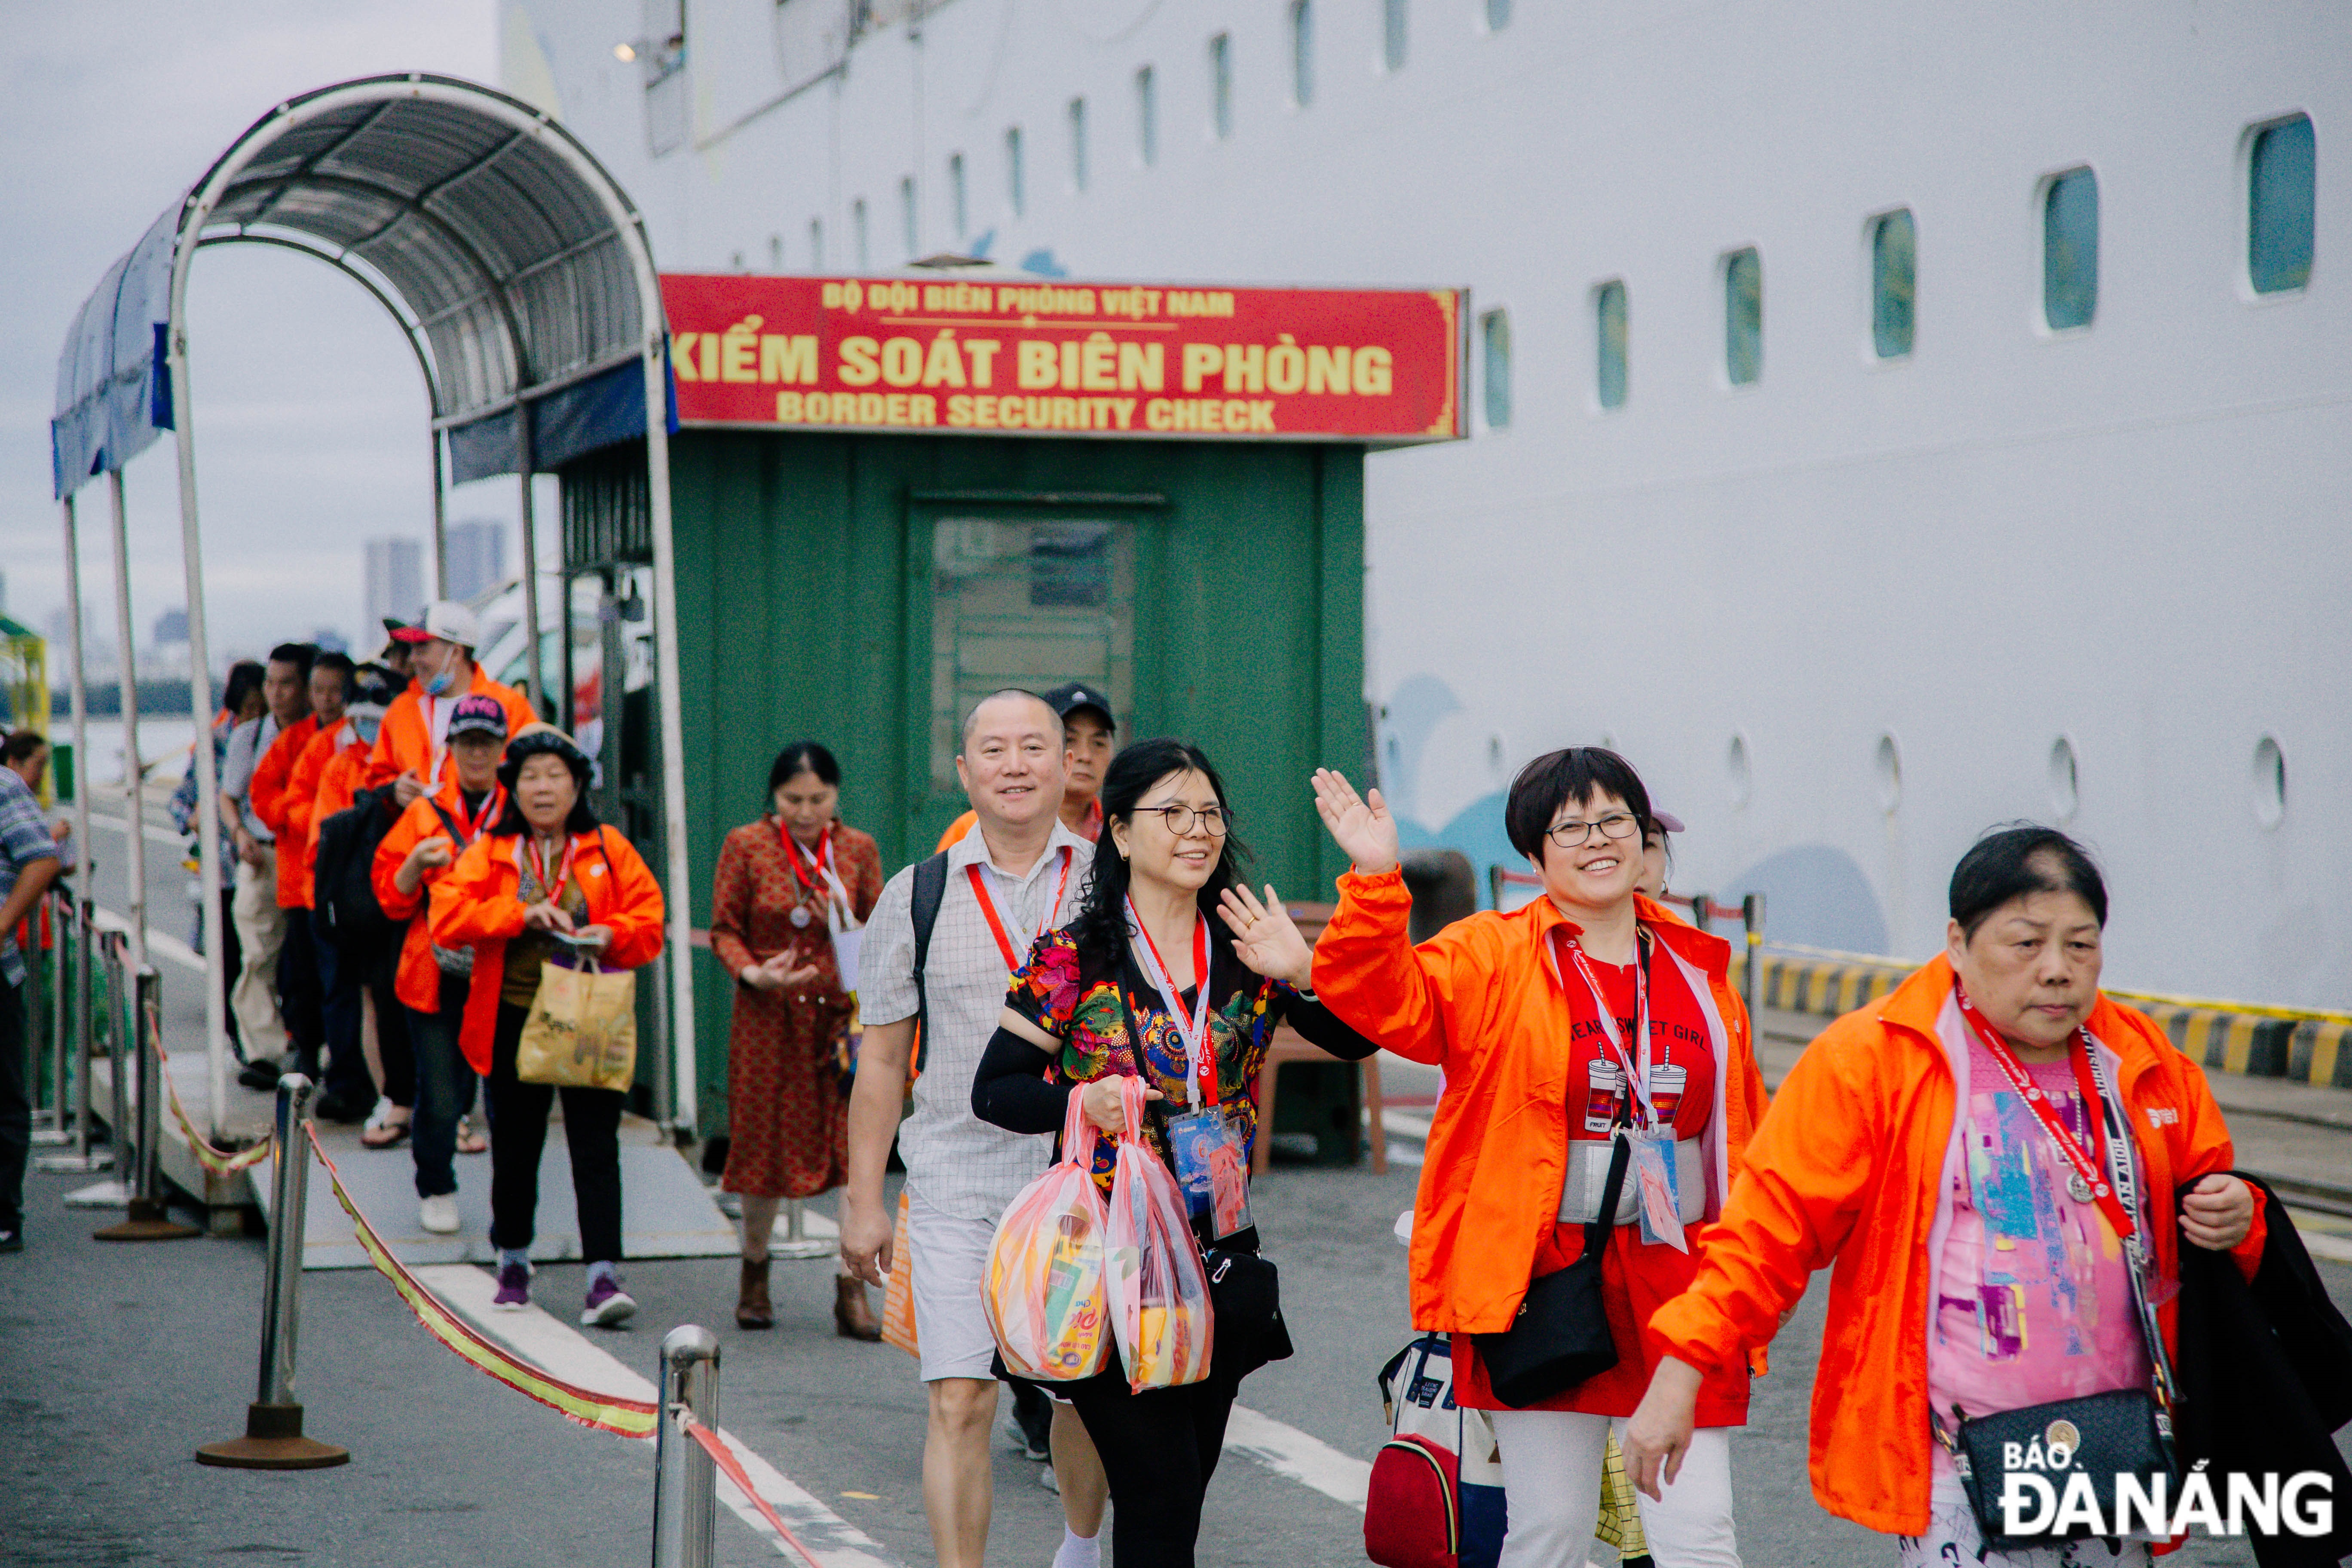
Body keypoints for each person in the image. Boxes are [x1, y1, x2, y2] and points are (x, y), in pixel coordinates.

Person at [1626, 826, 2263, 1568]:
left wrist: (2238, 1215)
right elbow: (1768, 1231)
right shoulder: (1872, 1059)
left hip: (2111, 1442)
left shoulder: (2144, 1059)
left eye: (2080, 946)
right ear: (1957, 942)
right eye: (2026, 944)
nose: (2057, 971)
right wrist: (1679, 1373)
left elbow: (2216, 1209)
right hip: (1952, 1453)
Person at [1308, 751, 1766, 1568]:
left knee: (1699, 1533)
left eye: (1615, 820)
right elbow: (1385, 1001)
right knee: (1549, 1530)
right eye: (1571, 827)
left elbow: (1743, 1131)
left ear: (1642, 833)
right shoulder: (1491, 954)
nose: (1597, 840)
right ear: (1534, 854)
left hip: (1678, 1280)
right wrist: (1377, 880)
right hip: (1545, 1278)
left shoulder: (1699, 971)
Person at [972, 738, 1382, 1568]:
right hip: (1104, 1258)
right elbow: (995, 1088)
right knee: (1158, 1495)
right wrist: (1078, 1099)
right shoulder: (1074, 954)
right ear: (1120, 832)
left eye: (1208, 813)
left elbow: (1358, 1038)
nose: (1197, 831)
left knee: (1179, 1500)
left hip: (1218, 1260)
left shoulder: (1245, 946)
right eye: (1173, 813)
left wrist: (1303, 971)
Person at [841, 689, 1108, 1568]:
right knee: (959, 1400)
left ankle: (1078, 1547)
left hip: (1081, 1187)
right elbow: (880, 1062)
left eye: (1036, 747)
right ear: (965, 771)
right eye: (995, 750)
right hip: (957, 1182)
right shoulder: (918, 894)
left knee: (1078, 1396)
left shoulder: (1112, 883)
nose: (1017, 765)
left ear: (1066, 765)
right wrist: (864, 1204)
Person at [429, 725, 665, 1327]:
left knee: (595, 1145)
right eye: (529, 777)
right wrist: (518, 914)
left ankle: (603, 1276)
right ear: (512, 788)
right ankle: (512, 1259)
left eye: (555, 776)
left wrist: (611, 932)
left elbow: (651, 918)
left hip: (587, 1012)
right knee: (515, 1144)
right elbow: (447, 913)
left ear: (578, 785)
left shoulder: (607, 846)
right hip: (510, 1016)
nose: (542, 788)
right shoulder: (491, 850)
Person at [709, 741, 885, 1335]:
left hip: (839, 1019)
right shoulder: (747, 845)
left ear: (836, 797)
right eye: (793, 800)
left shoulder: (857, 850)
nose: (807, 812)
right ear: (774, 797)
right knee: (759, 1146)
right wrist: (754, 972)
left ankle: (850, 1289)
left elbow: (882, 934)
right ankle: (754, 1275)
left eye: (819, 799)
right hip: (767, 1018)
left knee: (850, 1151)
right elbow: (725, 929)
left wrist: (851, 920)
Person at [374, 694, 508, 1234]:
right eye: (467, 742)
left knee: (485, 1085)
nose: (477, 753)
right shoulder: (424, 813)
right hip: (432, 973)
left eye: (487, 743)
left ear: (503, 749)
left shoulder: (516, 810)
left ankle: (509, 1198)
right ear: (450, 748)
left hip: (497, 973)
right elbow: (390, 898)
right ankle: (435, 1184)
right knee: (440, 1089)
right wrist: (412, 865)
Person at [306, 663, 415, 1145]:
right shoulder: (340, 766)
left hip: (415, 900)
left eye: (379, 717)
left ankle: (438, 1105)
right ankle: (387, 1097)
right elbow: (322, 840)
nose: (368, 728)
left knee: (426, 1000)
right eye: (362, 718)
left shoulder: (415, 761)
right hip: (362, 906)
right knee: (371, 999)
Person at [279, 652, 373, 1122]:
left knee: (376, 996)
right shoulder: (328, 752)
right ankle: (347, 1082)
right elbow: (300, 812)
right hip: (331, 895)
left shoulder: (395, 758)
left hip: (378, 896)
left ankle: (381, 1086)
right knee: (334, 989)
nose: (330, 700)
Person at [226, 644, 312, 1089]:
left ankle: (312, 1048)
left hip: (309, 857)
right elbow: (227, 795)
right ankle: (264, 1051)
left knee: (309, 958)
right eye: (271, 684)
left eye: (287, 684)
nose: (277, 694)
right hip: (263, 853)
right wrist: (240, 834)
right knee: (258, 954)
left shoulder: (322, 734)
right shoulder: (250, 736)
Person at [250, 645, 332, 1097]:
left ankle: (336, 1058)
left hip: (338, 882)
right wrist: (303, 817)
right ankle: (304, 1050)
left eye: (331, 691)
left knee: (339, 980)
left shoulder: (351, 737)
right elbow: (261, 795)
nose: (325, 699)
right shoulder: (294, 740)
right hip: (298, 879)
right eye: (318, 690)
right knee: (298, 974)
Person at [373, 600, 536, 806]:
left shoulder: (509, 706)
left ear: (457, 653)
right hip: (415, 835)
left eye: (422, 648)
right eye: (412, 649)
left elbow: (533, 773)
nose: (413, 659)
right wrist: (394, 790)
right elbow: (375, 778)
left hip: (488, 834)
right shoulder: (401, 709)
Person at [0, 736, 63, 1252]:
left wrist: (0, 927)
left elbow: (42, 860)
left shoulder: (4, 787)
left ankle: (3, 1213)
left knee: (3, 1093)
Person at [938, 683, 1118, 849]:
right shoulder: (971, 829)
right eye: (1070, 740)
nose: (1085, 756)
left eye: (1099, 743)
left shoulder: (1121, 830)